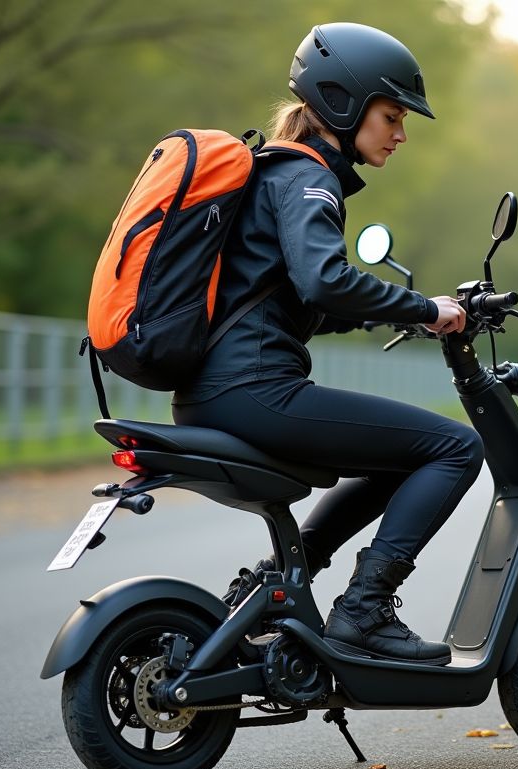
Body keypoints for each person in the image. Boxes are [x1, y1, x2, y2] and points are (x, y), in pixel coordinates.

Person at [172, 23, 484, 667]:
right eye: (392, 116)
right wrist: (429, 307)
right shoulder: (307, 177)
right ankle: (363, 611)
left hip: (213, 393)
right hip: (256, 390)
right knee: (455, 446)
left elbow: (294, 299)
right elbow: (325, 278)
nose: (400, 134)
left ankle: (275, 586)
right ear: (345, 103)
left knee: (399, 459)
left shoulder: (273, 173)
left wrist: (398, 318)